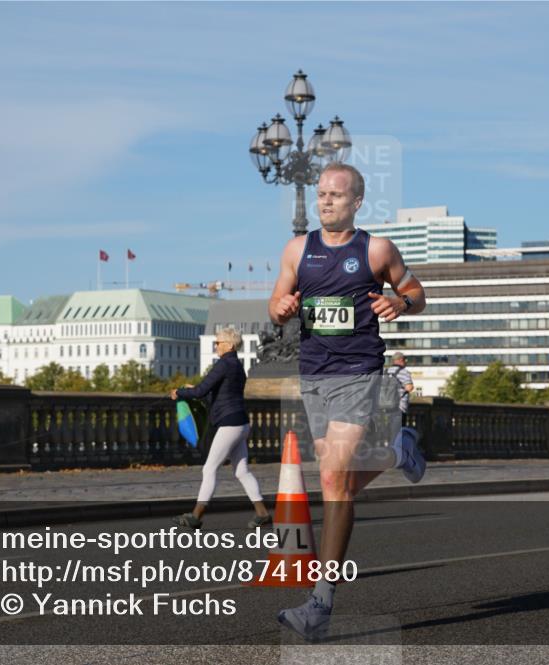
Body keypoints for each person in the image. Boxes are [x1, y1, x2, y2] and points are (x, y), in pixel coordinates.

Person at [269, 162, 427, 641]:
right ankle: (398, 449)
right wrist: (281, 308)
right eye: (321, 194)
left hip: (359, 371)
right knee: (337, 482)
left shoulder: (376, 249)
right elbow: (276, 303)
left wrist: (399, 303)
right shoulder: (298, 248)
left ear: (357, 201)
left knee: (335, 479)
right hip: (314, 374)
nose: (325, 202)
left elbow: (416, 292)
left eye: (336, 195)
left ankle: (320, 602)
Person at [170, 327, 271, 529]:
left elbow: (200, 391)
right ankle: (262, 513)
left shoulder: (223, 364)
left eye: (218, 342)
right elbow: (213, 396)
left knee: (209, 468)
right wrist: (192, 391)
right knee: (242, 471)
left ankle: (196, 516)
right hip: (241, 422)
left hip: (229, 424)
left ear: (229, 345)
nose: (216, 345)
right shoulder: (238, 366)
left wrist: (179, 392)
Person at [387, 352, 415, 427]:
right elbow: (409, 387)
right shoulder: (403, 372)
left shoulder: (386, 371)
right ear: (401, 360)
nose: (406, 361)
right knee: (398, 433)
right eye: (405, 360)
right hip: (399, 407)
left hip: (385, 407)